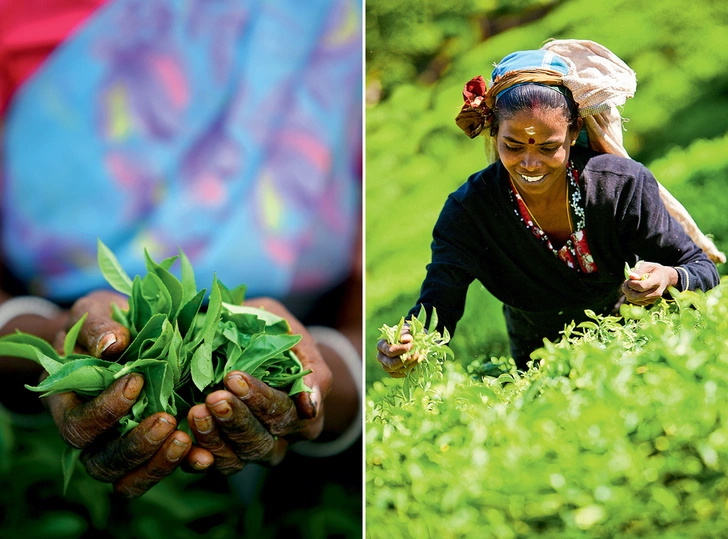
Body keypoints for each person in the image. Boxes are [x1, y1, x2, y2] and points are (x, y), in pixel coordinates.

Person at [0, 0, 362, 506]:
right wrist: (51, 344)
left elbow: (372, 308)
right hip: (31, 418)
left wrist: (315, 381)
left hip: (298, 463)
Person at [377, 39, 721, 376]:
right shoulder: (469, 214)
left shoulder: (620, 186)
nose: (530, 163)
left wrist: (669, 277)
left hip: (632, 340)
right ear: (494, 134)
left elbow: (701, 269)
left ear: (573, 133)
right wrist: (408, 342)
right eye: (513, 145)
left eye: (548, 147)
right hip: (538, 360)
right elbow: (438, 303)